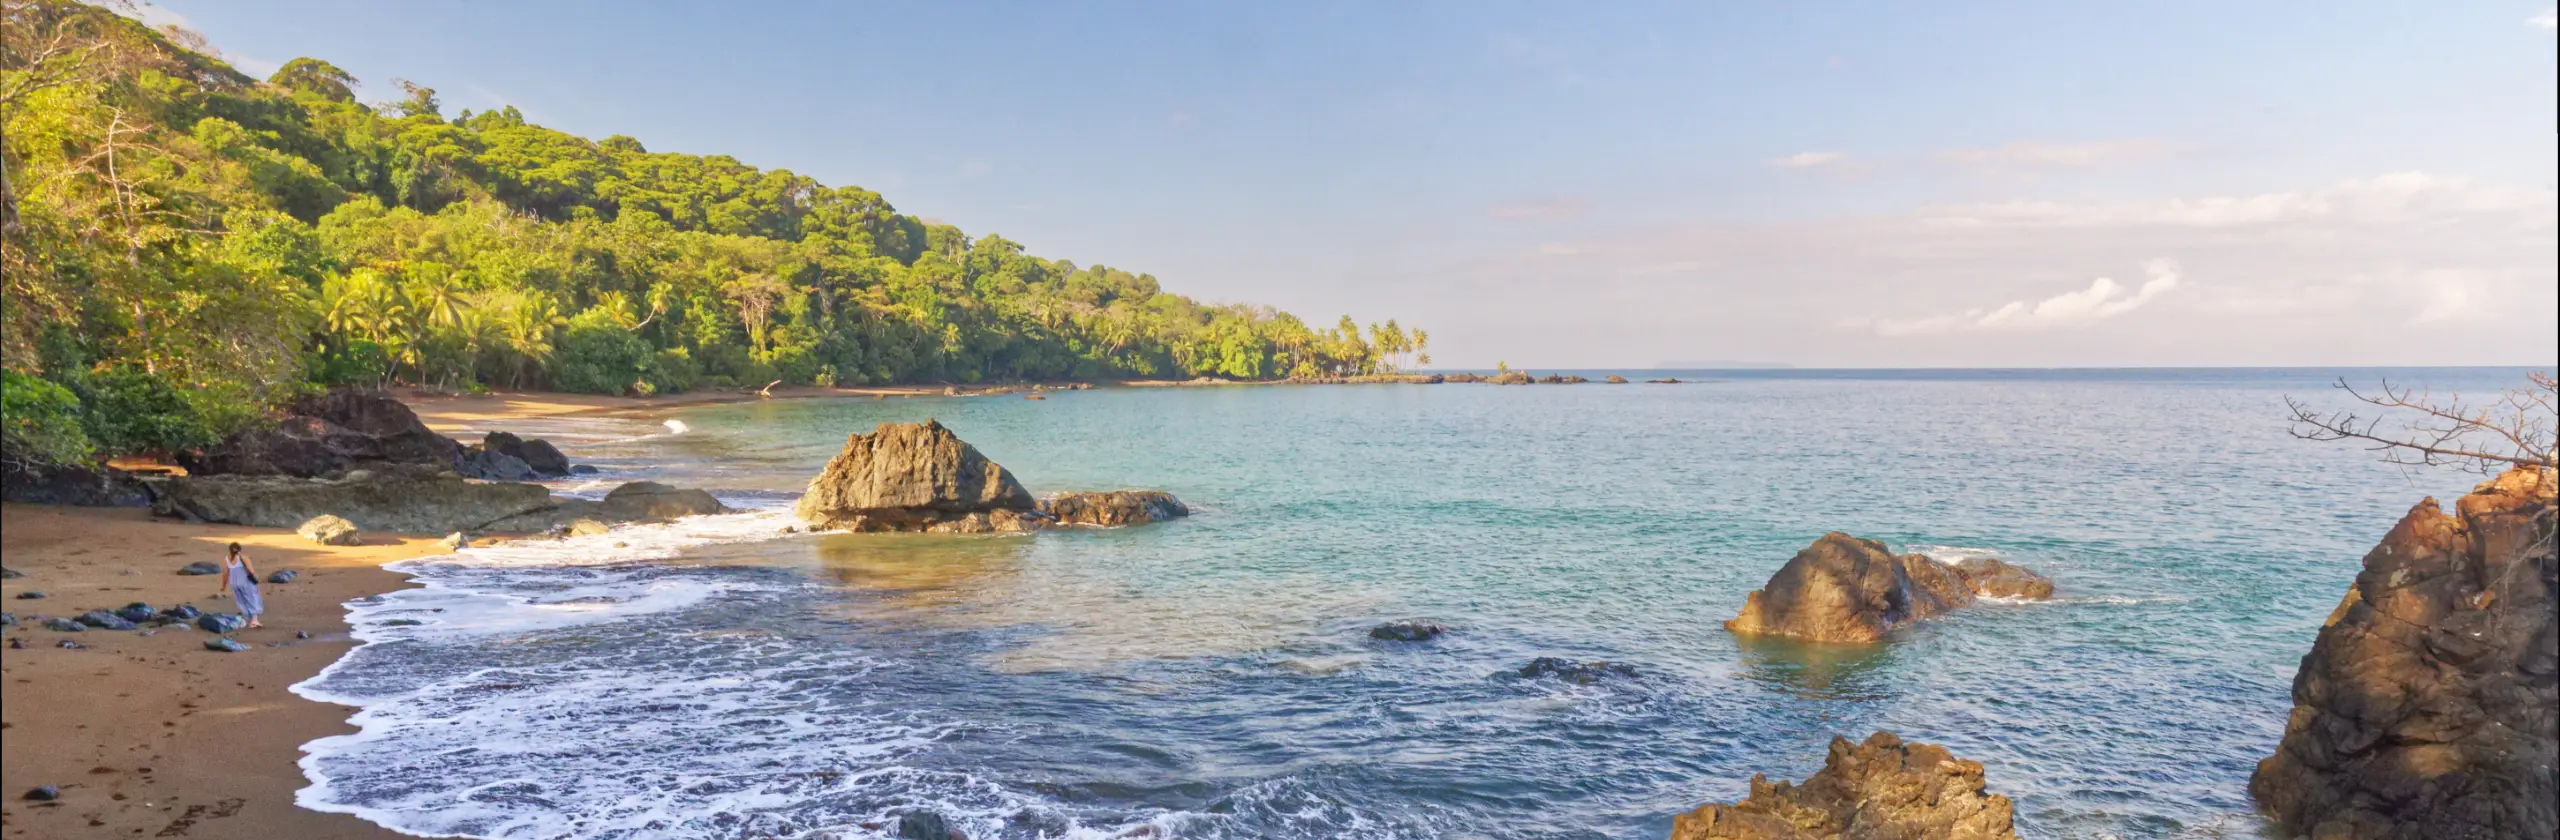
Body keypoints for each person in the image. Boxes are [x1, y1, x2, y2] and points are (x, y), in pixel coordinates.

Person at [219, 542, 265, 629]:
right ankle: (254, 620)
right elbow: (251, 571)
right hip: (245, 582)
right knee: (253, 599)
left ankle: (250, 620)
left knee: (241, 601)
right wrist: (257, 578)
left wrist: (223, 586)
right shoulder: (243, 558)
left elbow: (225, 574)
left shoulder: (226, 560)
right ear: (239, 550)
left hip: (234, 583)